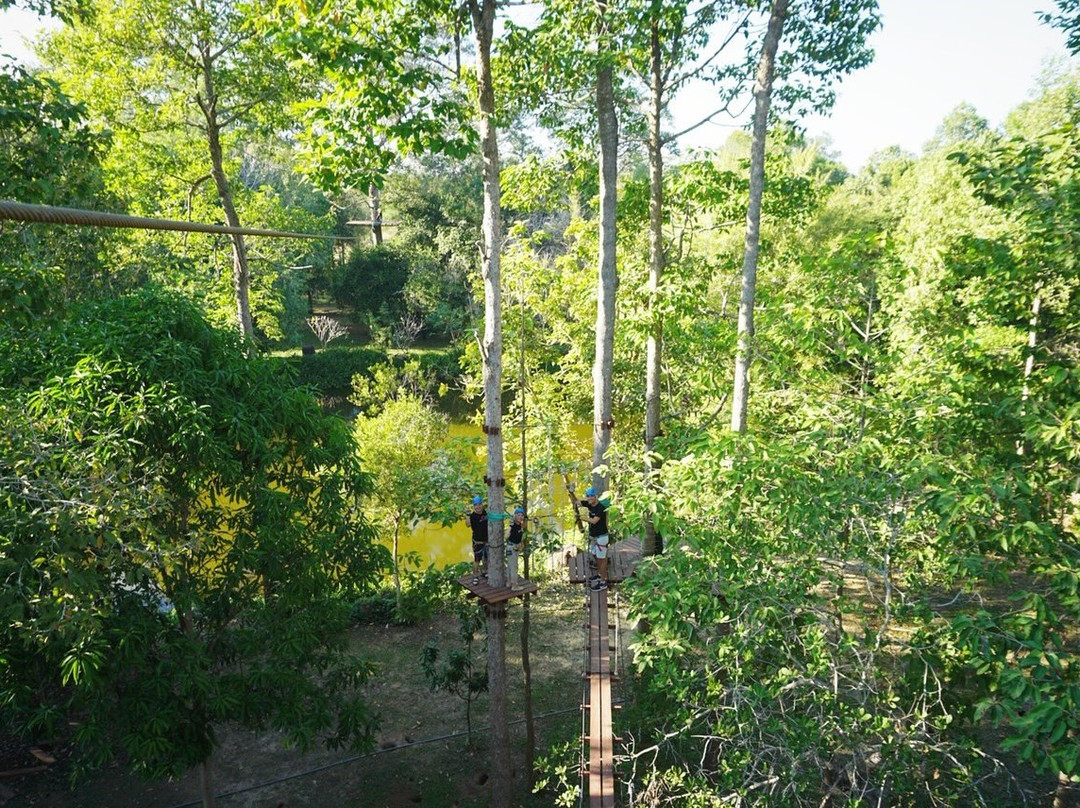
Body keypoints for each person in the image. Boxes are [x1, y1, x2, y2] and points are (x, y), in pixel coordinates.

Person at [577, 487, 609, 590]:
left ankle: (603, 582)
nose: (590, 498)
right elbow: (577, 502)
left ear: (596, 497)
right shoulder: (589, 504)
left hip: (601, 537)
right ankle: (600, 575)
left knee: (601, 560)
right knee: (595, 557)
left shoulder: (601, 508)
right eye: (588, 496)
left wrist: (582, 517)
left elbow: (594, 521)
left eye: (592, 496)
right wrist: (572, 493)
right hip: (594, 537)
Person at [467, 495, 488, 583]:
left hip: (486, 541)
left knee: (486, 558)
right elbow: (468, 524)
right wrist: (467, 515)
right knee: (477, 560)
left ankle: (484, 571)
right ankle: (475, 576)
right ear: (474, 506)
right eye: (476, 505)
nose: (478, 507)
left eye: (479, 504)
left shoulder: (485, 512)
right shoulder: (472, 516)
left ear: (482, 504)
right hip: (477, 542)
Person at [507, 506, 526, 590]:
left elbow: (521, 531)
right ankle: (514, 585)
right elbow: (506, 536)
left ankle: (508, 582)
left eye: (522, 515)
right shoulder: (513, 525)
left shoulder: (519, 525)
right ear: (514, 516)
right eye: (518, 515)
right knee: (514, 567)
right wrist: (510, 526)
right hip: (511, 548)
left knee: (510, 566)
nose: (520, 517)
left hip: (515, 548)